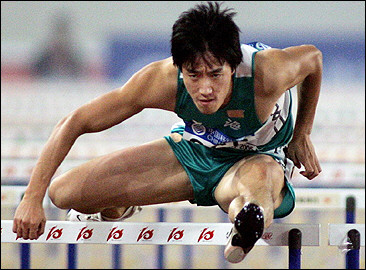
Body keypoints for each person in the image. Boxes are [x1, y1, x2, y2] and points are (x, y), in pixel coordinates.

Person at [13, 2, 322, 263]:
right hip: (193, 151)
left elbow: (314, 59)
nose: (205, 89)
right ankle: (122, 202)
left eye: (216, 75)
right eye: (193, 75)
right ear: (178, 67)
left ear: (233, 65)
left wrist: (302, 133)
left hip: (257, 159)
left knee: (256, 189)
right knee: (63, 193)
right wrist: (32, 198)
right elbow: (74, 122)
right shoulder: (159, 80)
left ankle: (247, 224)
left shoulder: (267, 73)